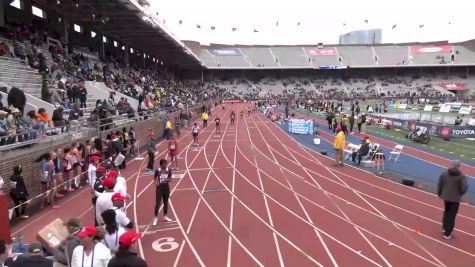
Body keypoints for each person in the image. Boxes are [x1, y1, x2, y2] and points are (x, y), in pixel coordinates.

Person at [437, 160, 468, 239]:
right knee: (452, 215)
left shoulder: (444, 174)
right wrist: (460, 193)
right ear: (459, 166)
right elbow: (464, 188)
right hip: (455, 199)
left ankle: (444, 228)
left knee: (447, 212)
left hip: (446, 197)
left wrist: (440, 193)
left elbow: (440, 184)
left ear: (452, 164)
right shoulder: (461, 176)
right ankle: (447, 234)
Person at [153, 159, 173, 226]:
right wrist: (156, 183)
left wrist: (168, 180)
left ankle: (165, 216)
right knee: (158, 203)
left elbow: (170, 178)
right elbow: (155, 178)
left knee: (166, 202)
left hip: (166, 188)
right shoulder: (157, 171)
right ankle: (155, 218)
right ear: (161, 164)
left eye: (166, 163)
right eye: (165, 164)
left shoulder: (168, 170)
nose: (166, 165)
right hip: (159, 189)